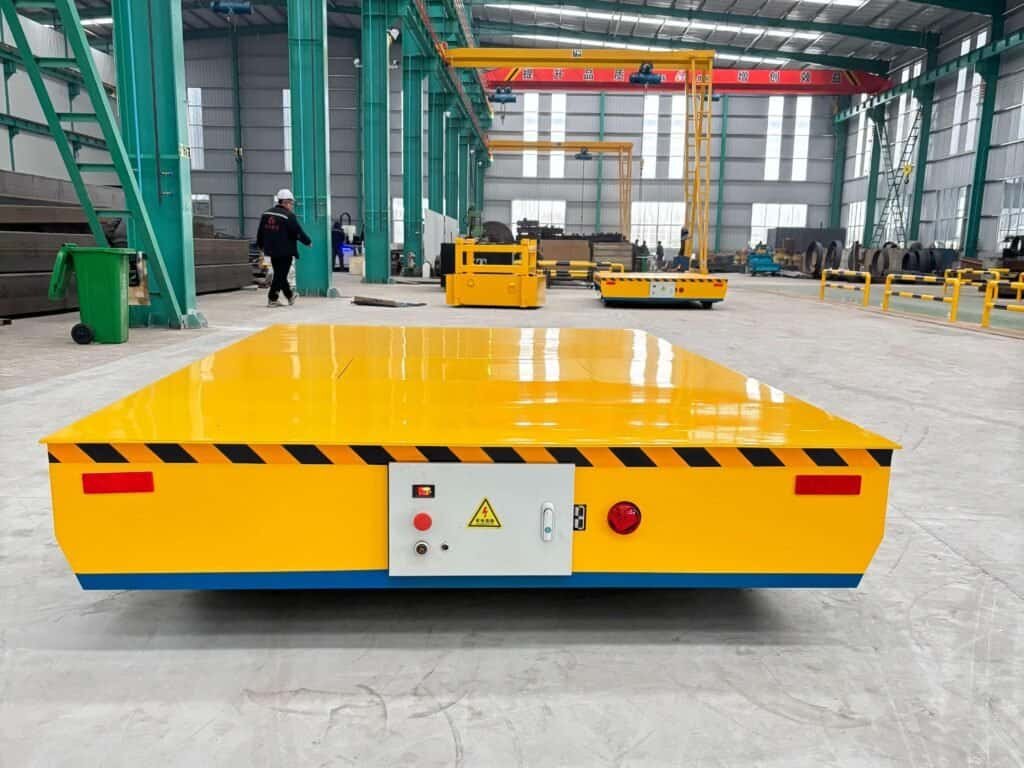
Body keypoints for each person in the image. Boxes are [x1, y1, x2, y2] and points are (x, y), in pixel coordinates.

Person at [257, 189, 311, 307]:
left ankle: (290, 295)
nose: (292, 206)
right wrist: (307, 242)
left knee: (279, 274)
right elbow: (297, 231)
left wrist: (260, 246)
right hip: (285, 251)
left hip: (272, 250)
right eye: (291, 203)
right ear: (286, 202)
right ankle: (272, 298)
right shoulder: (288, 216)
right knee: (280, 275)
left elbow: (261, 232)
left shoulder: (266, 214)